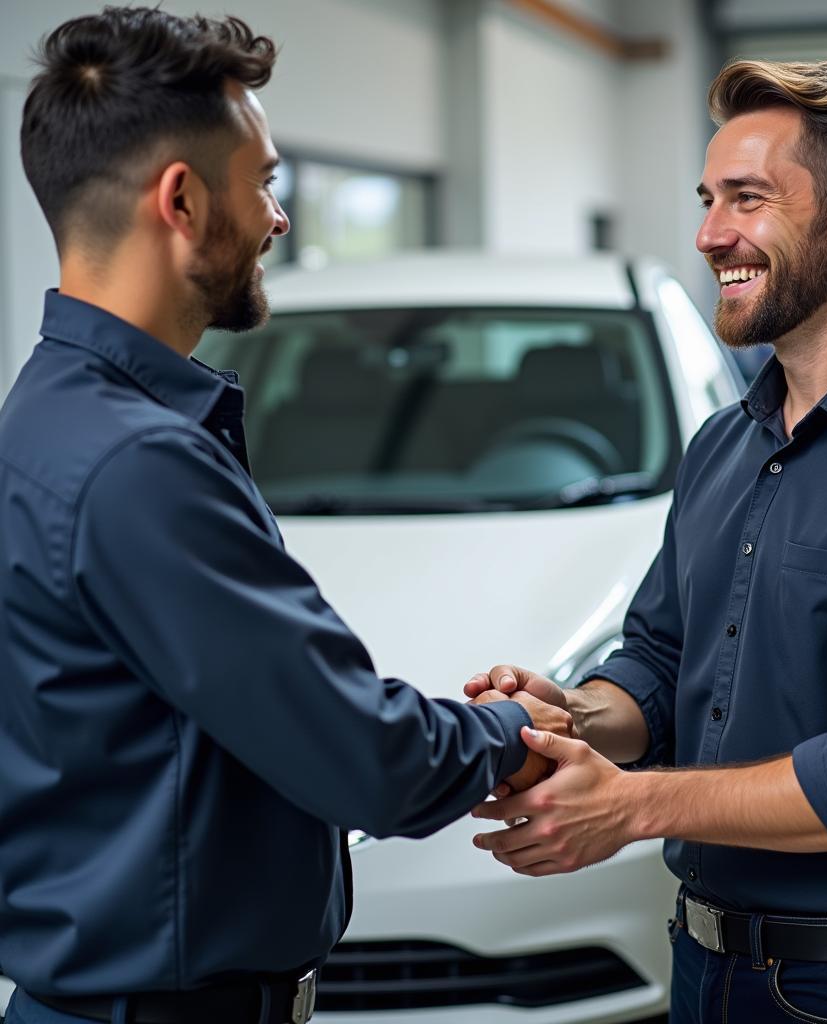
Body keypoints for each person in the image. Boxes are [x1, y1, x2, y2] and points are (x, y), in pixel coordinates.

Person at [0, 9, 573, 1024]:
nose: (278, 218)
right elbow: (364, 754)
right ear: (181, 199)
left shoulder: (46, 417)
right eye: (264, 182)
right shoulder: (140, 462)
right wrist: (513, 726)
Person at [467, 58, 827, 1023]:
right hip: (705, 966)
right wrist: (577, 718)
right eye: (707, 198)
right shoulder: (726, 442)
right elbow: (663, 657)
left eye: (748, 199)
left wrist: (633, 807)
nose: (709, 232)